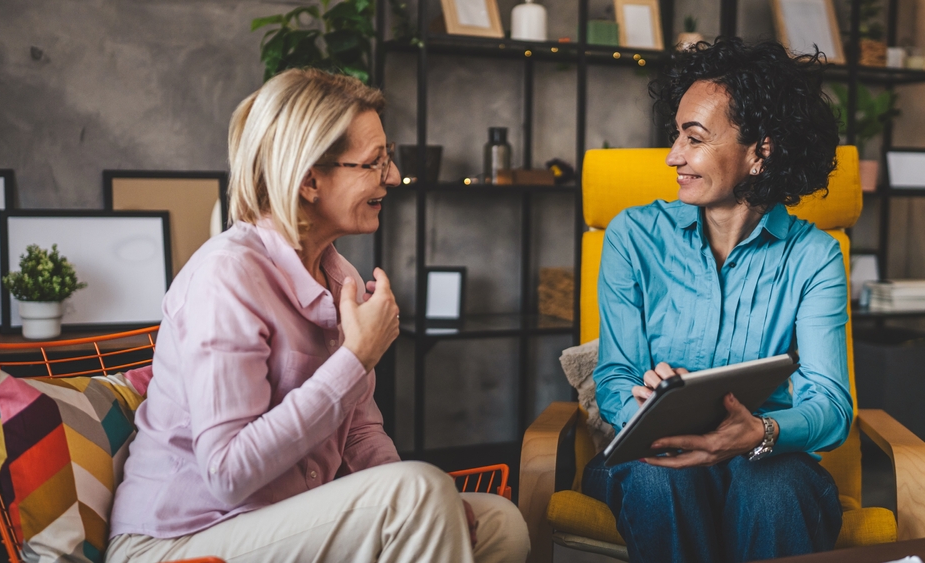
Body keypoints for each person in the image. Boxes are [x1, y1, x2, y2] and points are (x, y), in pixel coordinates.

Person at [107, 69, 529, 563]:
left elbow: (361, 431)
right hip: (179, 542)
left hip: (277, 523)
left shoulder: (338, 276)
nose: (391, 177)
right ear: (309, 180)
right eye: (374, 163)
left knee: (500, 522)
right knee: (419, 494)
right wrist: (356, 357)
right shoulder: (227, 276)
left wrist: (430, 509)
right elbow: (227, 473)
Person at [582, 38, 852, 563]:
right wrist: (643, 406)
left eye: (694, 138)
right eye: (675, 135)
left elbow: (831, 405)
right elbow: (615, 376)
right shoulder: (633, 237)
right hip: (650, 458)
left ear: (761, 151)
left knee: (771, 488)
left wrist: (765, 430)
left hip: (763, 459)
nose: (672, 156)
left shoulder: (814, 257)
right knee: (663, 479)